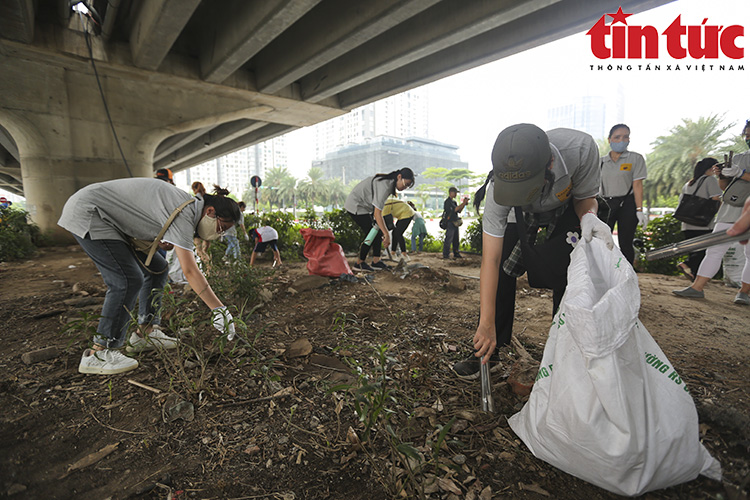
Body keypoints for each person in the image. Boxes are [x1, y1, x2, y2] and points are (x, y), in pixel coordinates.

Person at [452, 123, 611, 379]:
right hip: (521, 215)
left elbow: (585, 197)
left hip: (567, 208)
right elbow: (490, 261)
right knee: (503, 268)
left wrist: (589, 218)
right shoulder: (498, 191)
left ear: (549, 164)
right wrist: (485, 323)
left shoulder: (580, 150)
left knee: (572, 272)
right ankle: (491, 350)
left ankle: (563, 357)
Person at [58, 178, 240, 375]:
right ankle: (100, 353)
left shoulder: (188, 208)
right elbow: (190, 271)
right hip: (91, 212)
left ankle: (145, 333)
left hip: (108, 217)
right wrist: (219, 309)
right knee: (127, 279)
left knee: (158, 268)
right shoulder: (185, 212)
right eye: (222, 227)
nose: (220, 233)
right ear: (210, 211)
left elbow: (141, 213)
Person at [673, 120, 750, 305]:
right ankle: (696, 288)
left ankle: (744, 292)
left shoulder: (740, 164)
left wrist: (740, 173)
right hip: (731, 209)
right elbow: (725, 188)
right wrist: (721, 175)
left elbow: (740, 176)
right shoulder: (738, 157)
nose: (748, 137)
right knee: (714, 249)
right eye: (746, 134)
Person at [344, 168, 415, 272]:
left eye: (408, 186)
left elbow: (377, 210)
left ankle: (376, 261)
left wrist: (384, 231)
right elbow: (378, 213)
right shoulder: (385, 186)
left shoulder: (389, 183)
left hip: (365, 207)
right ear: (399, 177)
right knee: (371, 233)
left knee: (376, 231)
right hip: (356, 205)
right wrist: (386, 235)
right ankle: (359, 263)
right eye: (406, 184)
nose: (405, 187)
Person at [598, 124, 648, 264]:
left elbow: (637, 185)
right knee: (602, 241)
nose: (622, 140)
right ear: (609, 139)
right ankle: (603, 273)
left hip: (627, 204)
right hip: (606, 204)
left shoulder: (635, 159)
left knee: (626, 243)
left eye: (625, 137)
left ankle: (627, 277)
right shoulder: (601, 162)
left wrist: (639, 210)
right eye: (617, 137)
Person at [675, 158, 723, 280]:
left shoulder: (689, 183)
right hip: (702, 223)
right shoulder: (710, 180)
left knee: (695, 250)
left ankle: (694, 276)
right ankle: (688, 264)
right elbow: (716, 199)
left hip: (687, 223)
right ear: (711, 168)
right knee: (703, 251)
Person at [442, 187, 469, 259]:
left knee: (456, 239)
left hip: (455, 222)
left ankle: (456, 252)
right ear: (451, 192)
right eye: (455, 192)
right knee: (449, 239)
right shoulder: (447, 202)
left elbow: (459, 210)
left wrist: (464, 204)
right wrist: (463, 203)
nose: (456, 194)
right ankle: (446, 254)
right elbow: (455, 209)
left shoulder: (454, 202)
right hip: (450, 222)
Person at [191, 181, 212, 267]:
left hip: (199, 228)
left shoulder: (196, 199)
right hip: (208, 227)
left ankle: (209, 268)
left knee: (199, 251)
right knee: (206, 251)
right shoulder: (207, 198)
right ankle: (209, 269)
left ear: (194, 189)